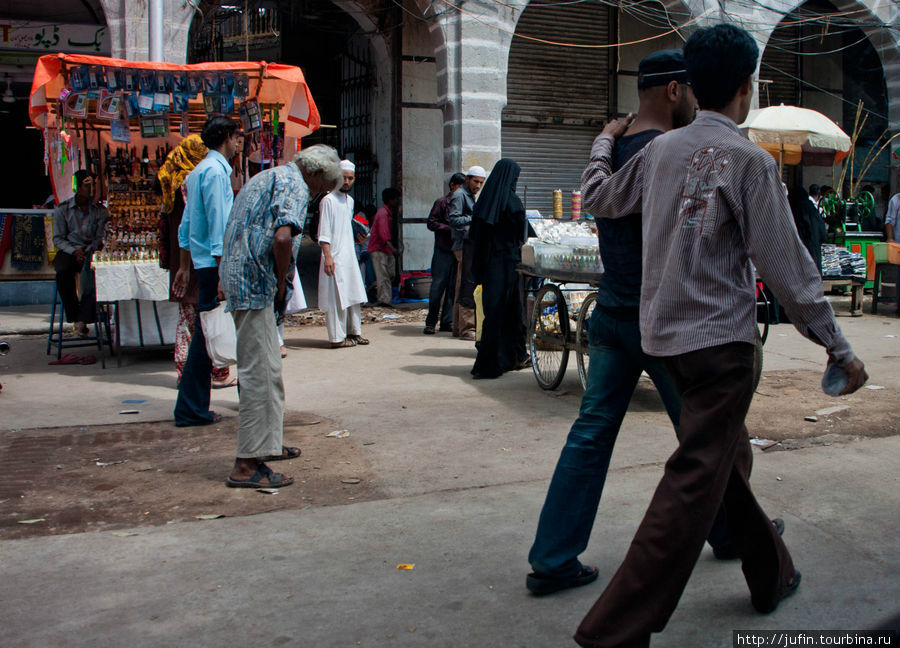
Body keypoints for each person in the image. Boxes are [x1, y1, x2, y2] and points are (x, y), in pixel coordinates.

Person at [575, 24, 867, 647]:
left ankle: (772, 572)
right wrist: (837, 345)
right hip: (721, 349)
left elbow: (598, 195)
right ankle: (612, 630)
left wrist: (604, 139)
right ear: (746, 86)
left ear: (692, 86)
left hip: (664, 340)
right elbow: (788, 268)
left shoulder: (657, 152)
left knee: (720, 464)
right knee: (695, 477)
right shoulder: (748, 161)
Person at [526, 49, 740, 596]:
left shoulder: (613, 150)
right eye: (690, 91)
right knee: (709, 438)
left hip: (612, 313)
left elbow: (596, 195)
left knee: (591, 434)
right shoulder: (673, 153)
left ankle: (552, 556)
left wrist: (602, 138)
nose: (694, 101)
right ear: (674, 90)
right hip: (664, 324)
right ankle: (738, 534)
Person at [220, 144, 342, 488]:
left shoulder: (268, 177)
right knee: (259, 373)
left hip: (241, 280)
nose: (318, 195)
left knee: (267, 369)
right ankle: (246, 464)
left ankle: (265, 445)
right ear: (315, 174)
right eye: (321, 187)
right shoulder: (295, 185)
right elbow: (283, 237)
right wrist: (279, 282)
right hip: (256, 285)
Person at [172, 116, 242, 427]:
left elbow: (185, 228)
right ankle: (190, 408)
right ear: (227, 137)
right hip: (214, 265)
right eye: (237, 136)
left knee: (206, 335)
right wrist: (223, 274)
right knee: (209, 337)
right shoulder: (214, 173)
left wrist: (186, 267)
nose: (240, 142)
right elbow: (219, 228)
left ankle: (192, 407)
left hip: (203, 264)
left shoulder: (200, 171)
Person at [158, 135, 234, 388]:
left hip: (183, 260)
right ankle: (215, 371)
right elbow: (205, 223)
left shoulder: (169, 180)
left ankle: (185, 371)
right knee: (208, 317)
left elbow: (177, 229)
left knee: (187, 316)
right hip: (198, 260)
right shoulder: (199, 179)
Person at [468, 160, 530, 377]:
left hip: (490, 265)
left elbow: (477, 238)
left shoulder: (486, 201)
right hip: (508, 264)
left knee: (500, 311)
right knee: (505, 312)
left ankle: (513, 357)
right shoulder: (511, 201)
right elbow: (522, 232)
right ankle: (489, 365)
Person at [318, 160, 369, 348]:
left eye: (350, 178)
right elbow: (324, 232)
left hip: (349, 255)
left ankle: (354, 332)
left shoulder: (350, 202)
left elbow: (345, 226)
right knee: (336, 299)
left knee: (353, 294)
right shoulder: (328, 200)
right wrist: (328, 256)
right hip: (334, 255)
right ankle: (337, 338)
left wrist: (358, 235)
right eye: (343, 177)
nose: (346, 181)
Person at [52, 170, 108, 338]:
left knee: (92, 274)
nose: (90, 189)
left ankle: (84, 318)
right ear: (78, 187)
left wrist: (89, 248)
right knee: (62, 272)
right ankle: (74, 314)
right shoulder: (63, 210)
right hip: (70, 249)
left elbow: (100, 237)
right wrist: (74, 250)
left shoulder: (100, 211)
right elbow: (58, 238)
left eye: (92, 186)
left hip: (90, 249)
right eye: (86, 185)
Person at [423, 172, 466, 335]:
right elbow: (431, 223)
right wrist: (450, 228)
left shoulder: (463, 203)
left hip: (457, 250)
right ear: (453, 185)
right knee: (438, 286)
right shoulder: (442, 203)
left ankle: (446, 321)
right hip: (443, 249)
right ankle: (431, 322)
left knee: (453, 287)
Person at [448, 166, 486, 340]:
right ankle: (466, 328)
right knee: (467, 285)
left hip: (468, 244)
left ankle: (459, 327)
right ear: (468, 180)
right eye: (475, 181)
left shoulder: (469, 196)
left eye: (481, 182)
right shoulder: (459, 195)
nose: (478, 185)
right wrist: (475, 218)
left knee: (461, 284)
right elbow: (454, 219)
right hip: (463, 245)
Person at [368, 188, 399, 307]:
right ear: (390, 200)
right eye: (396, 199)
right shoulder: (383, 214)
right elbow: (383, 234)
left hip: (385, 249)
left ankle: (375, 291)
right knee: (383, 275)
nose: (397, 201)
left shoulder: (387, 213)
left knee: (389, 275)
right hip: (379, 249)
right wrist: (393, 248)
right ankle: (384, 300)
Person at [789, 185, 827, 274]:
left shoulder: (795, 210)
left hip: (802, 251)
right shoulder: (812, 209)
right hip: (814, 250)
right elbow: (822, 234)